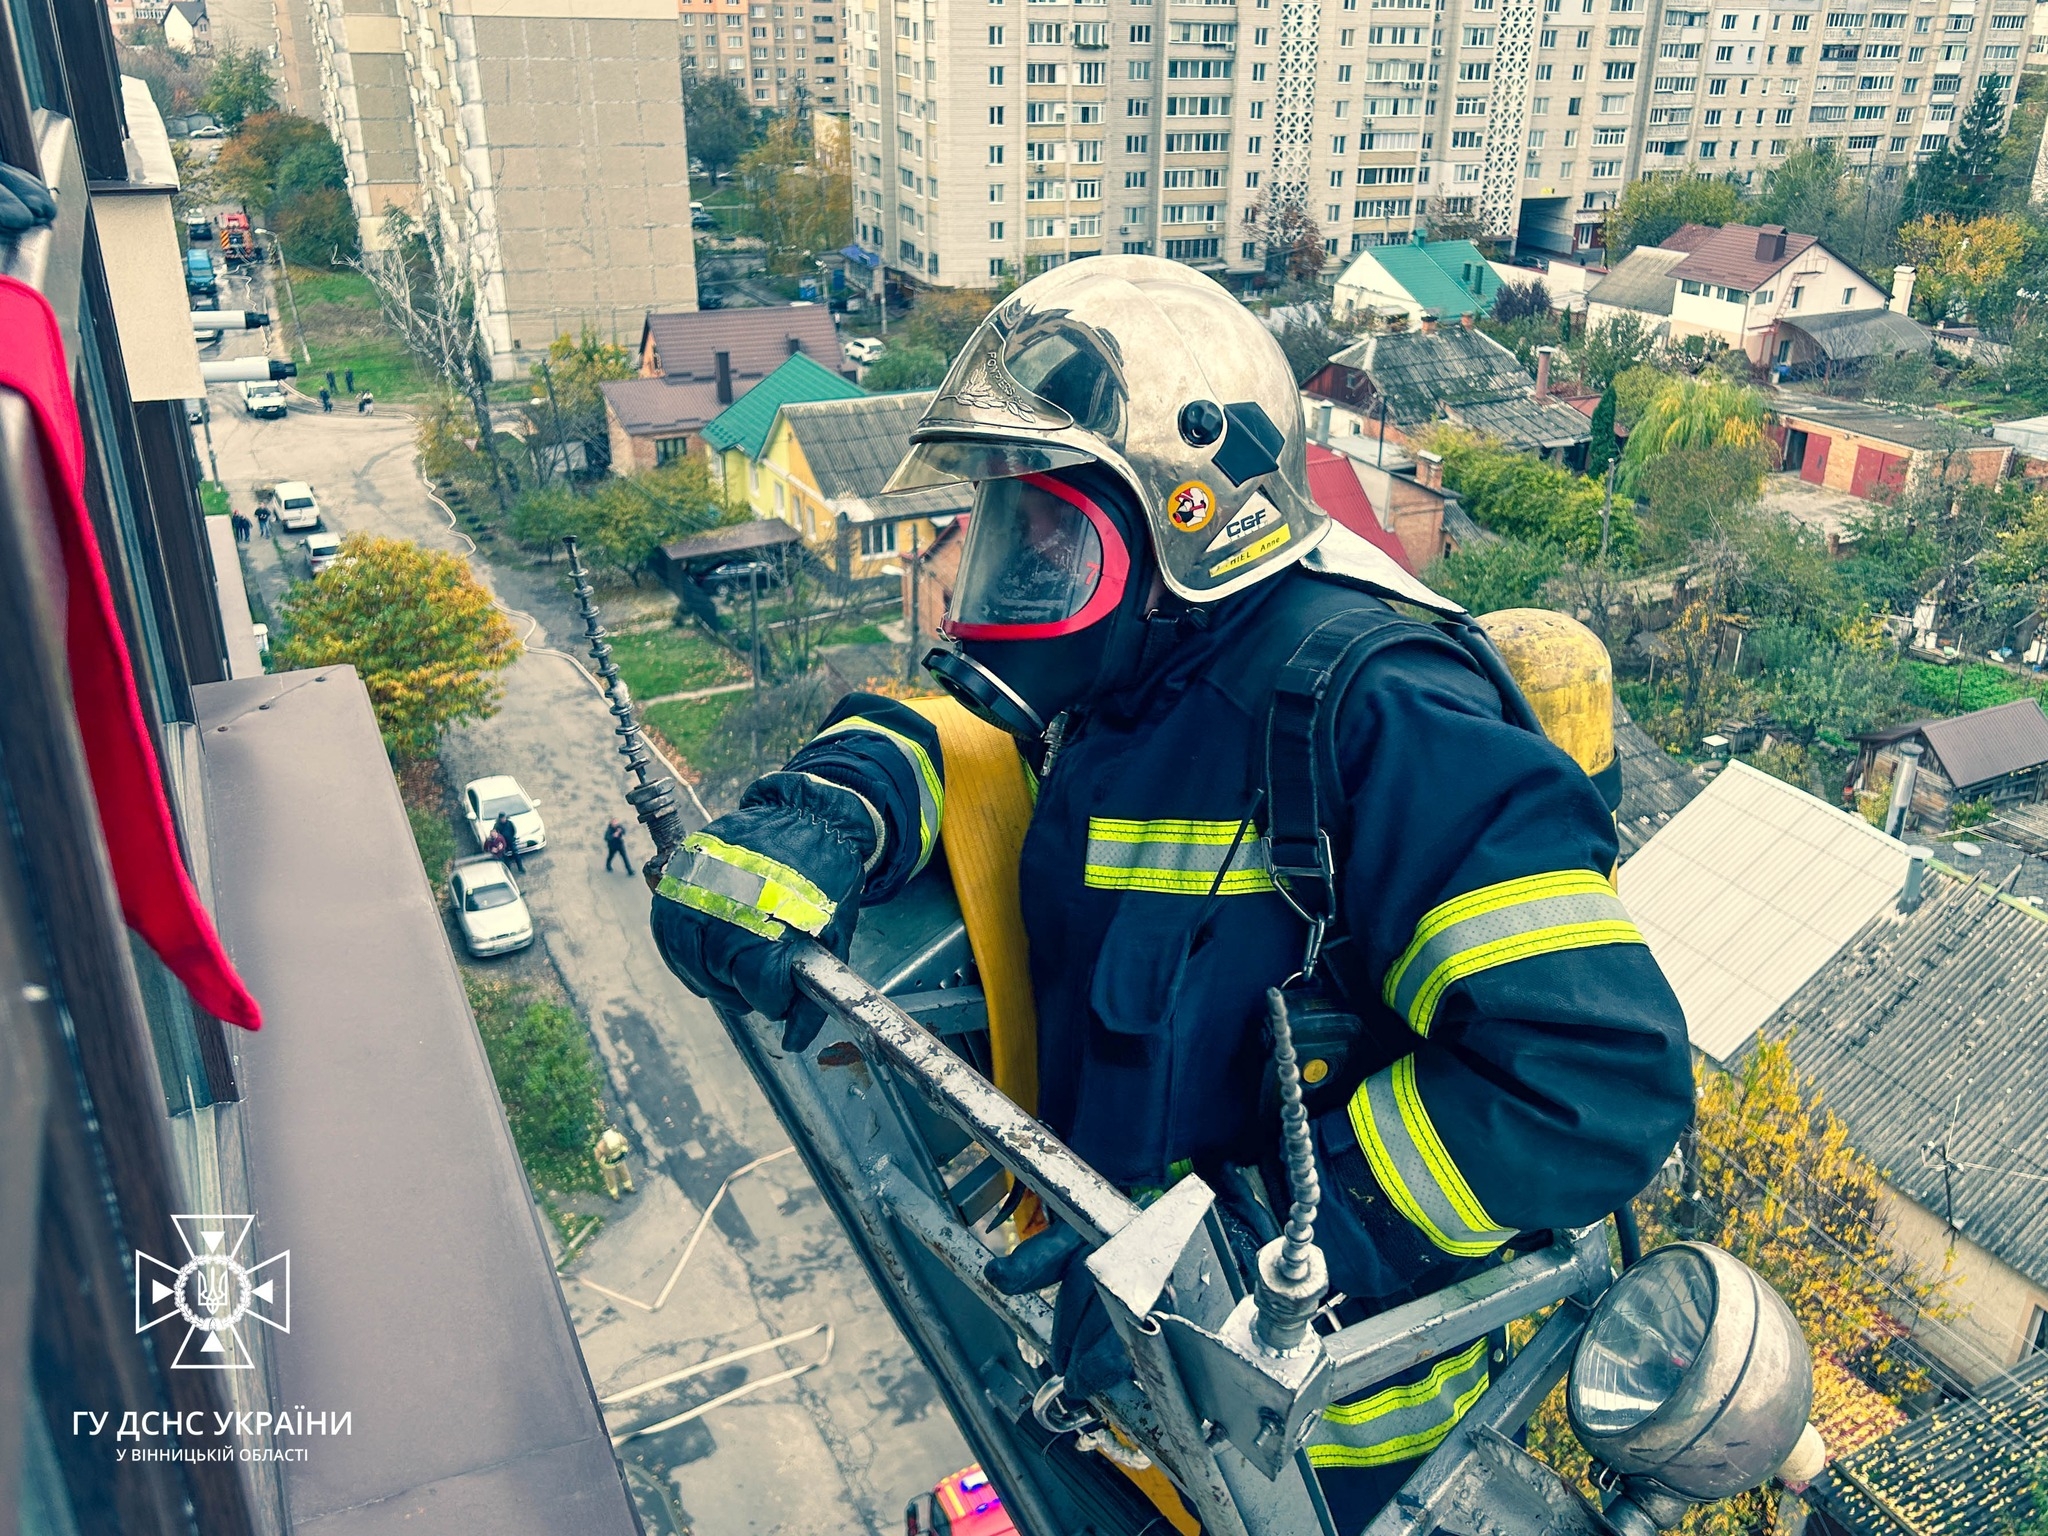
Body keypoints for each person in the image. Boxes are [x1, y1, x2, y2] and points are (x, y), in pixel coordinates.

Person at [648, 256, 1691, 1532]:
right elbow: (975, 746)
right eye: (1002, 526)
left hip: (1324, 1458)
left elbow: (1592, 1080)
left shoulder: (1381, 718)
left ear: (1186, 511)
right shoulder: (1136, 675)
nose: (1007, 571)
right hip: (1121, 1400)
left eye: (1045, 531)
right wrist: (837, 805)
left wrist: (1245, 1259)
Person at [593, 1126, 634, 1199]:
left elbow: (624, 1143)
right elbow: (598, 1157)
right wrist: (606, 1161)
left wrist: (623, 1153)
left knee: (624, 1173)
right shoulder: (601, 1146)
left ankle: (629, 1187)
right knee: (610, 1179)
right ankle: (614, 1194)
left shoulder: (619, 1137)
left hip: (619, 1160)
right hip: (608, 1166)